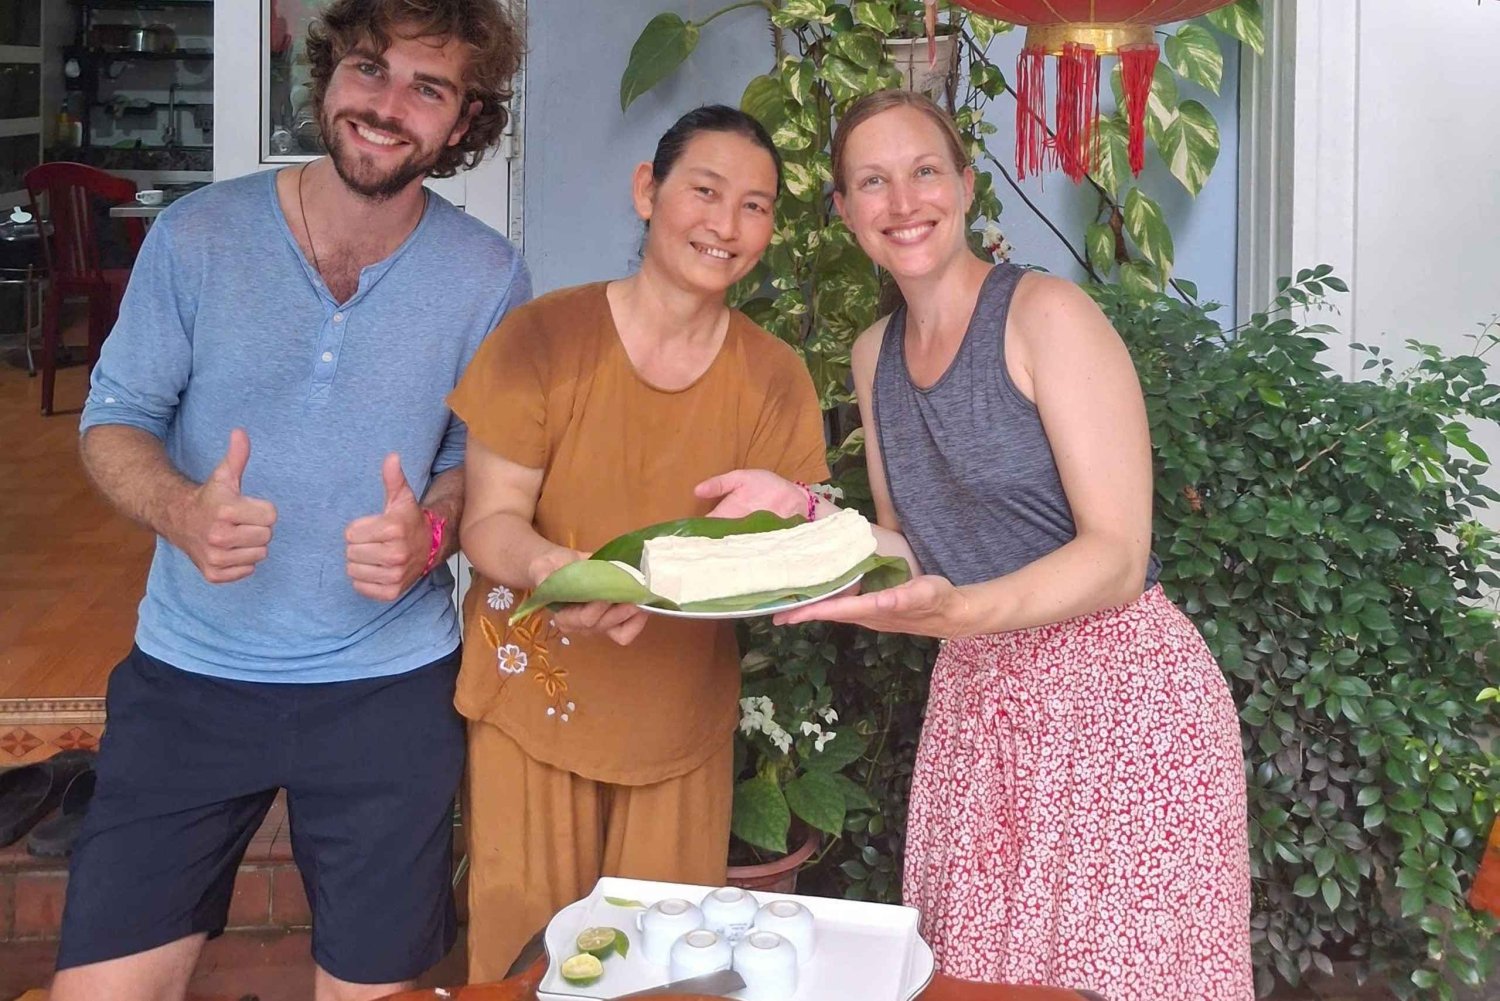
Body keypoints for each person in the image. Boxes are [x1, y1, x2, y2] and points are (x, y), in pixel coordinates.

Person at [695, 89, 1252, 1001]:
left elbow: (1118, 554)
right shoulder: (874, 354)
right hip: (980, 709)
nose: (902, 201)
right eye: (872, 182)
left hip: (1119, 708)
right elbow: (911, 547)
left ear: (964, 183)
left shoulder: (1046, 315)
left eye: (924, 171)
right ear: (844, 210)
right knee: (980, 978)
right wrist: (803, 514)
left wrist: (965, 611)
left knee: (1115, 982)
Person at [53, 2, 528, 999]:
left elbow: (475, 465)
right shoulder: (197, 235)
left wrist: (430, 532)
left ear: (464, 120)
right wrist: (180, 509)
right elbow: (115, 419)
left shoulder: (487, 276)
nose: (387, 105)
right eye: (370, 68)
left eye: (428, 87)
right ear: (327, 74)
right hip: (189, 675)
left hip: (387, 685)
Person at [447, 104, 830, 980]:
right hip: (535, 704)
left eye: (756, 206)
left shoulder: (774, 378)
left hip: (678, 717)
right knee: (526, 965)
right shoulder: (544, 337)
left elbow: (778, 552)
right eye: (705, 191)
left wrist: (795, 540)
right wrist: (558, 572)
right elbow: (490, 520)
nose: (726, 224)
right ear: (647, 191)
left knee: (663, 969)